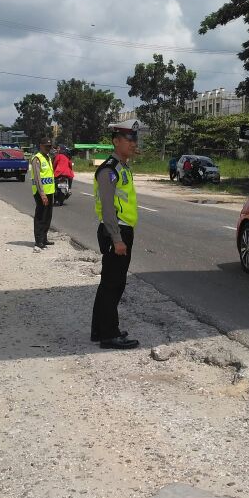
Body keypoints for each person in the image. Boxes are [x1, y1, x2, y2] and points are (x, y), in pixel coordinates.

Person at [91, 119, 142, 350]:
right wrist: (117, 238)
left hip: (122, 230)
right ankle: (109, 335)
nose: (133, 144)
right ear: (116, 141)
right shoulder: (109, 170)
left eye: (134, 140)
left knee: (112, 283)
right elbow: (108, 209)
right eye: (129, 140)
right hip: (116, 231)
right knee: (113, 284)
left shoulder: (122, 167)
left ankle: (101, 330)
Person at [29, 136, 56, 250]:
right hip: (41, 193)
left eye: (49, 146)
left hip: (50, 191)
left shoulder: (48, 157)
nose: (48, 148)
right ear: (41, 146)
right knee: (40, 217)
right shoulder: (37, 159)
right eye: (46, 146)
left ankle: (44, 238)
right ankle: (38, 240)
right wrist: (42, 194)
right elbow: (37, 178)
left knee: (47, 217)